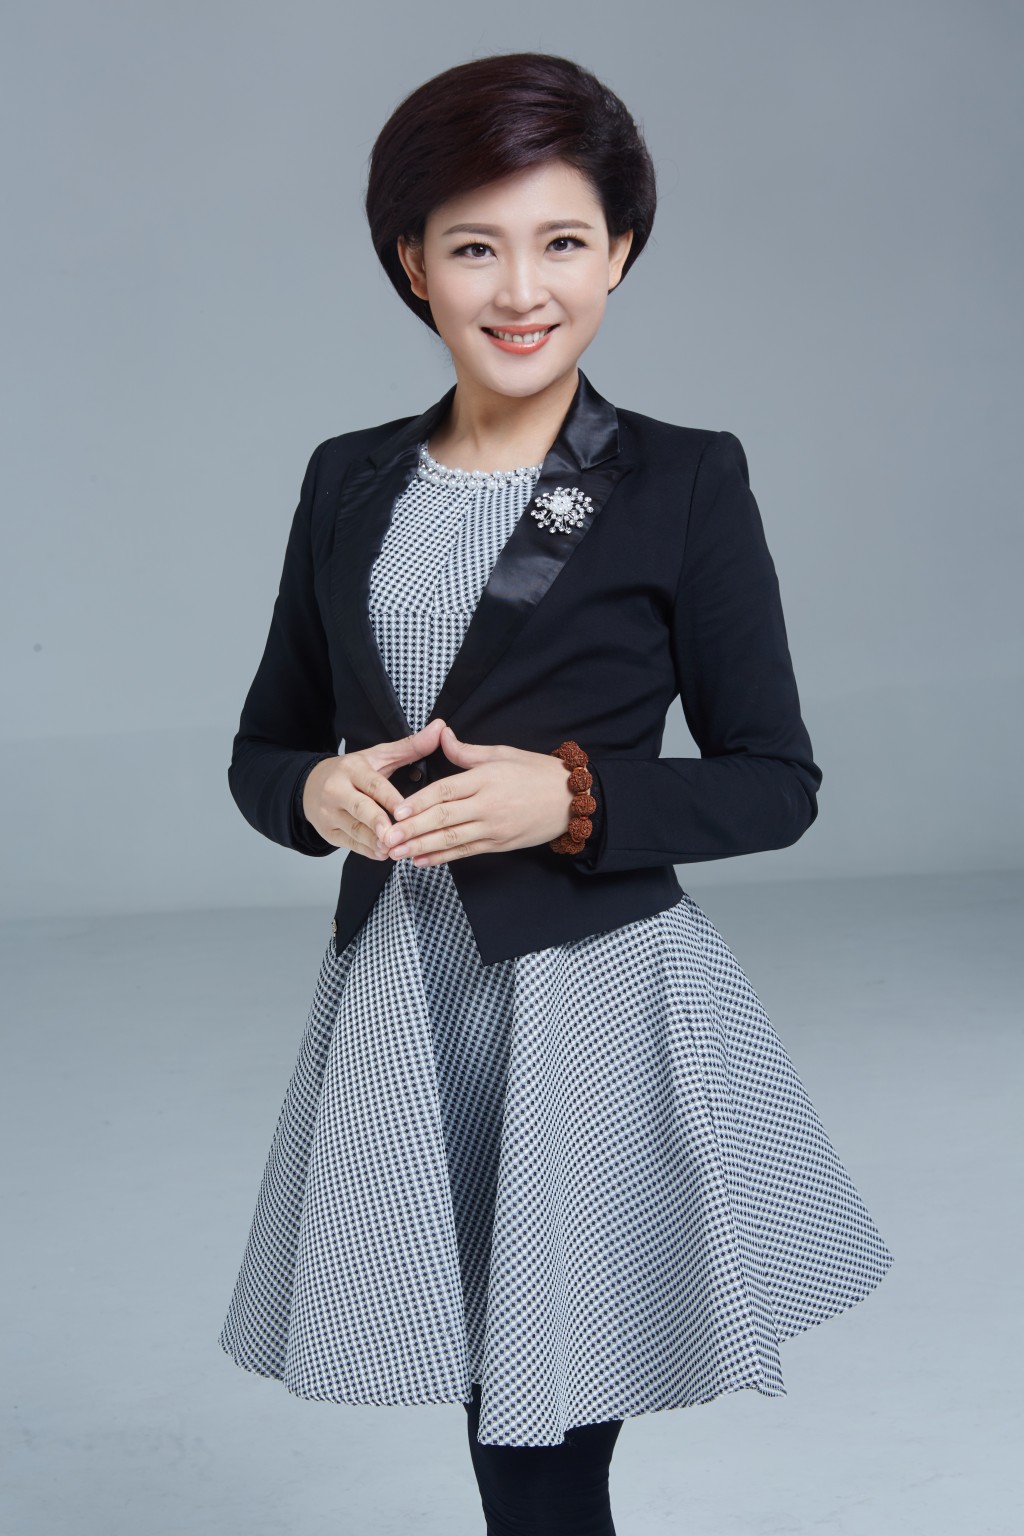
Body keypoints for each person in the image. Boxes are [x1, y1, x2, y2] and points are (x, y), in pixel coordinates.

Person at [217, 52, 893, 1536]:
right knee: (488, 1391)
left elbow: (777, 785)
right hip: (405, 989)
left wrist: (573, 802)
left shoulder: (682, 479)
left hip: (591, 1001)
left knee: (544, 1425)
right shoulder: (346, 478)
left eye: (565, 242)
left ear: (621, 252)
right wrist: (316, 792)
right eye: (475, 247)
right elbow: (264, 747)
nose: (522, 290)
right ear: (412, 262)